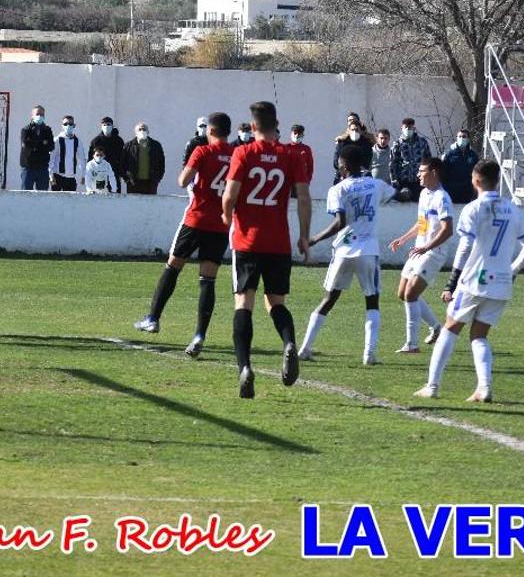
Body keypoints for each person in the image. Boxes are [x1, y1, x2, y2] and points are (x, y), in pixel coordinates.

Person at [415, 159, 524, 403]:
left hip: (475, 280)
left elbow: (465, 246)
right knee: (479, 336)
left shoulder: (473, 209)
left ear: (476, 180)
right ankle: (484, 387)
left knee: (450, 328)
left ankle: (433, 386)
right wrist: (512, 270)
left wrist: (452, 281)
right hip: (501, 282)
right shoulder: (512, 209)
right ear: (497, 180)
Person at [221, 101, 312, 399]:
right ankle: (288, 343)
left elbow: (230, 195)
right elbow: (303, 198)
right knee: (275, 303)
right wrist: (304, 236)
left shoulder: (243, 153)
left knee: (243, 303)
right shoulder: (291, 155)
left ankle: (245, 368)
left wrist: (226, 215)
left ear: (253, 126)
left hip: (247, 241)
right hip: (278, 242)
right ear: (277, 125)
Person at [134, 112, 234, 358]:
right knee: (208, 280)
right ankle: (199, 334)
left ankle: (153, 318)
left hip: (196, 219)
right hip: (220, 224)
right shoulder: (237, 154)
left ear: (210, 130)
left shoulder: (202, 152)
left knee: (173, 266)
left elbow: (182, 180)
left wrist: (194, 177)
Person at [298, 144, 396, 366]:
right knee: (372, 301)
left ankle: (304, 349)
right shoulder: (375, 184)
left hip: (343, 250)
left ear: (343, 167)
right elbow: (396, 194)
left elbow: (340, 222)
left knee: (329, 299)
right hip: (368, 251)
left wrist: (313, 239)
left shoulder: (338, 189)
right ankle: (369, 354)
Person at [388, 157, 451, 354]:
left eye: (421, 171)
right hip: (419, 249)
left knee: (411, 294)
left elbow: (447, 230)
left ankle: (412, 344)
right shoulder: (424, 194)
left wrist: (427, 247)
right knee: (402, 293)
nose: (418, 175)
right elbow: (421, 223)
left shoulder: (443, 198)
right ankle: (437, 328)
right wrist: (403, 239)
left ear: (433, 173)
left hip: (433, 252)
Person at [389, 117, 431, 201]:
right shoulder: (397, 144)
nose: (408, 130)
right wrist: (394, 180)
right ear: (402, 128)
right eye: (406, 128)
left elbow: (428, 160)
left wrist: (428, 178)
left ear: (414, 128)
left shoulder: (422, 142)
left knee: (420, 204)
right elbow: (393, 164)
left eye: (410, 128)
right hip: (404, 181)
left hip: (419, 181)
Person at [123, 123, 166, 195]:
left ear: (148, 132)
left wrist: (157, 179)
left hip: (150, 183)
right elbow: (123, 164)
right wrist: (127, 179)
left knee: (150, 205)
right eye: (139, 129)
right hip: (133, 184)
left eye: (144, 129)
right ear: (135, 133)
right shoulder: (128, 146)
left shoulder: (156, 145)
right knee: (133, 205)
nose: (142, 131)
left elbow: (161, 163)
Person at [19, 104, 54, 190]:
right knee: (25, 194)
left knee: (43, 195)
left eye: (42, 115)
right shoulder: (26, 130)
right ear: (32, 116)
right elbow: (26, 145)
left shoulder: (47, 130)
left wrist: (34, 143)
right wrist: (43, 142)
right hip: (28, 167)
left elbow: (51, 146)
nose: (40, 116)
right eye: (37, 114)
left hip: (42, 167)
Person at [88, 117, 126, 192]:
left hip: (115, 173)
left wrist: (122, 172)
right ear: (101, 126)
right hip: (100, 174)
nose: (106, 127)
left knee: (115, 194)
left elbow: (123, 157)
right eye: (104, 125)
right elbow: (90, 158)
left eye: (108, 124)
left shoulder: (119, 141)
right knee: (101, 194)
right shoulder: (96, 141)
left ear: (112, 126)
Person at [441, 128, 479, 204]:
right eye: (459, 136)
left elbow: (477, 173)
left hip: (468, 192)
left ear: (468, 139)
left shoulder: (473, 155)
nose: (461, 138)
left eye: (464, 137)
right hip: (452, 192)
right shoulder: (449, 155)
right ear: (456, 138)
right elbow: (443, 174)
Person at [49, 115, 85, 192]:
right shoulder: (57, 140)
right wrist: (51, 176)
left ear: (74, 125)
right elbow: (51, 159)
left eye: (70, 124)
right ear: (62, 126)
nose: (68, 126)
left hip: (71, 178)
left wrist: (83, 175)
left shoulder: (77, 141)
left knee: (71, 203)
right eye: (65, 124)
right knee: (55, 201)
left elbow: (82, 158)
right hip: (57, 177)